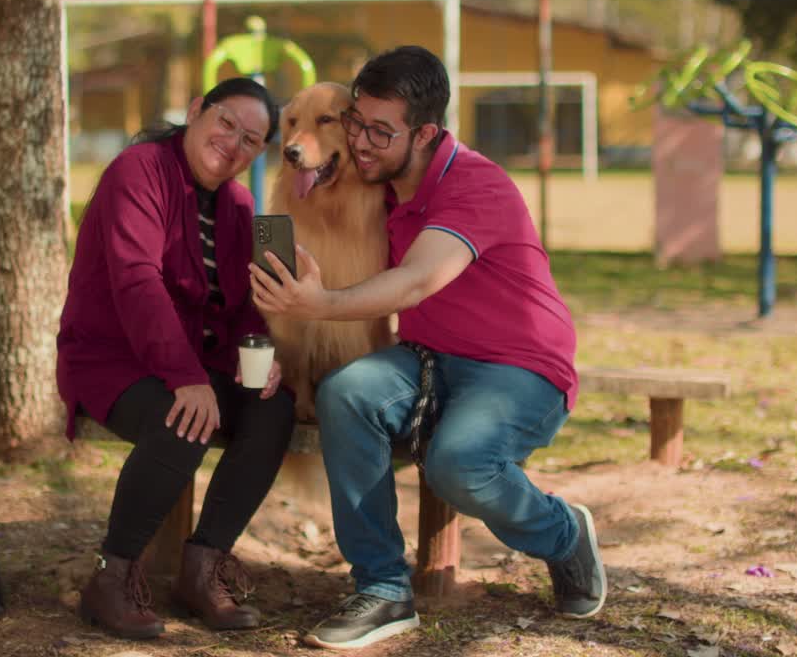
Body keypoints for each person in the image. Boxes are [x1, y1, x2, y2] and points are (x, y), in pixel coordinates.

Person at [249, 46, 606, 650]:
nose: (362, 143)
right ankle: (383, 587)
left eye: (380, 132)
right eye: (357, 123)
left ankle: (563, 534)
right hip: (429, 360)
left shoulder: (475, 183)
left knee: (457, 464)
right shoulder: (375, 184)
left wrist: (321, 305)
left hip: (519, 368)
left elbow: (417, 280)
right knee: (347, 392)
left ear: (426, 133)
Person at [58, 77, 296, 640]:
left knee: (273, 407)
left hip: (192, 359)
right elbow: (137, 280)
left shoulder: (239, 203)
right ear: (196, 112)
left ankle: (203, 566)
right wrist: (187, 378)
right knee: (183, 417)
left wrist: (256, 354)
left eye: (251, 139)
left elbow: (241, 305)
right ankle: (111, 577)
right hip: (111, 356)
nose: (233, 143)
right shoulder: (138, 169)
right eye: (226, 124)